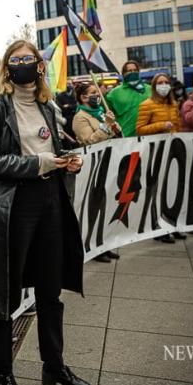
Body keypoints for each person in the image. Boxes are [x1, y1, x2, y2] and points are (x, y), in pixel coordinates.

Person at [0, 40, 90, 385]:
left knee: (50, 290)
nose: (24, 64)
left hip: (51, 201)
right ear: (7, 68)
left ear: (40, 66)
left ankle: (54, 365)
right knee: (4, 296)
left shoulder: (48, 106)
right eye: (16, 59)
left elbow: (50, 151)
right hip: (13, 206)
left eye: (30, 59)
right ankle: (2, 375)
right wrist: (36, 164)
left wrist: (68, 160)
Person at [71, 81, 121, 262]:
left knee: (107, 207)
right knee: (95, 208)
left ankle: (105, 245)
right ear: (83, 97)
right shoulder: (80, 117)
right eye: (93, 93)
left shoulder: (100, 113)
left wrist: (114, 125)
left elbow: (116, 133)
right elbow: (89, 141)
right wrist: (106, 126)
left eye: (97, 92)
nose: (97, 96)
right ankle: (92, 246)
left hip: (109, 162)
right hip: (94, 166)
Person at [136, 73, 184, 243]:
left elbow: (179, 127)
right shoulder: (146, 105)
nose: (164, 85)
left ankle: (172, 224)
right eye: (160, 82)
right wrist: (161, 126)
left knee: (174, 188)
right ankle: (158, 228)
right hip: (156, 152)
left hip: (173, 151)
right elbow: (140, 129)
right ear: (154, 86)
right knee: (158, 191)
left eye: (166, 82)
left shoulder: (174, 104)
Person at [106, 60, 151, 138]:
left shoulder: (149, 89)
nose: (133, 72)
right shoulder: (114, 93)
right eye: (129, 71)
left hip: (149, 135)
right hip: (126, 137)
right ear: (123, 74)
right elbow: (108, 114)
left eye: (135, 70)